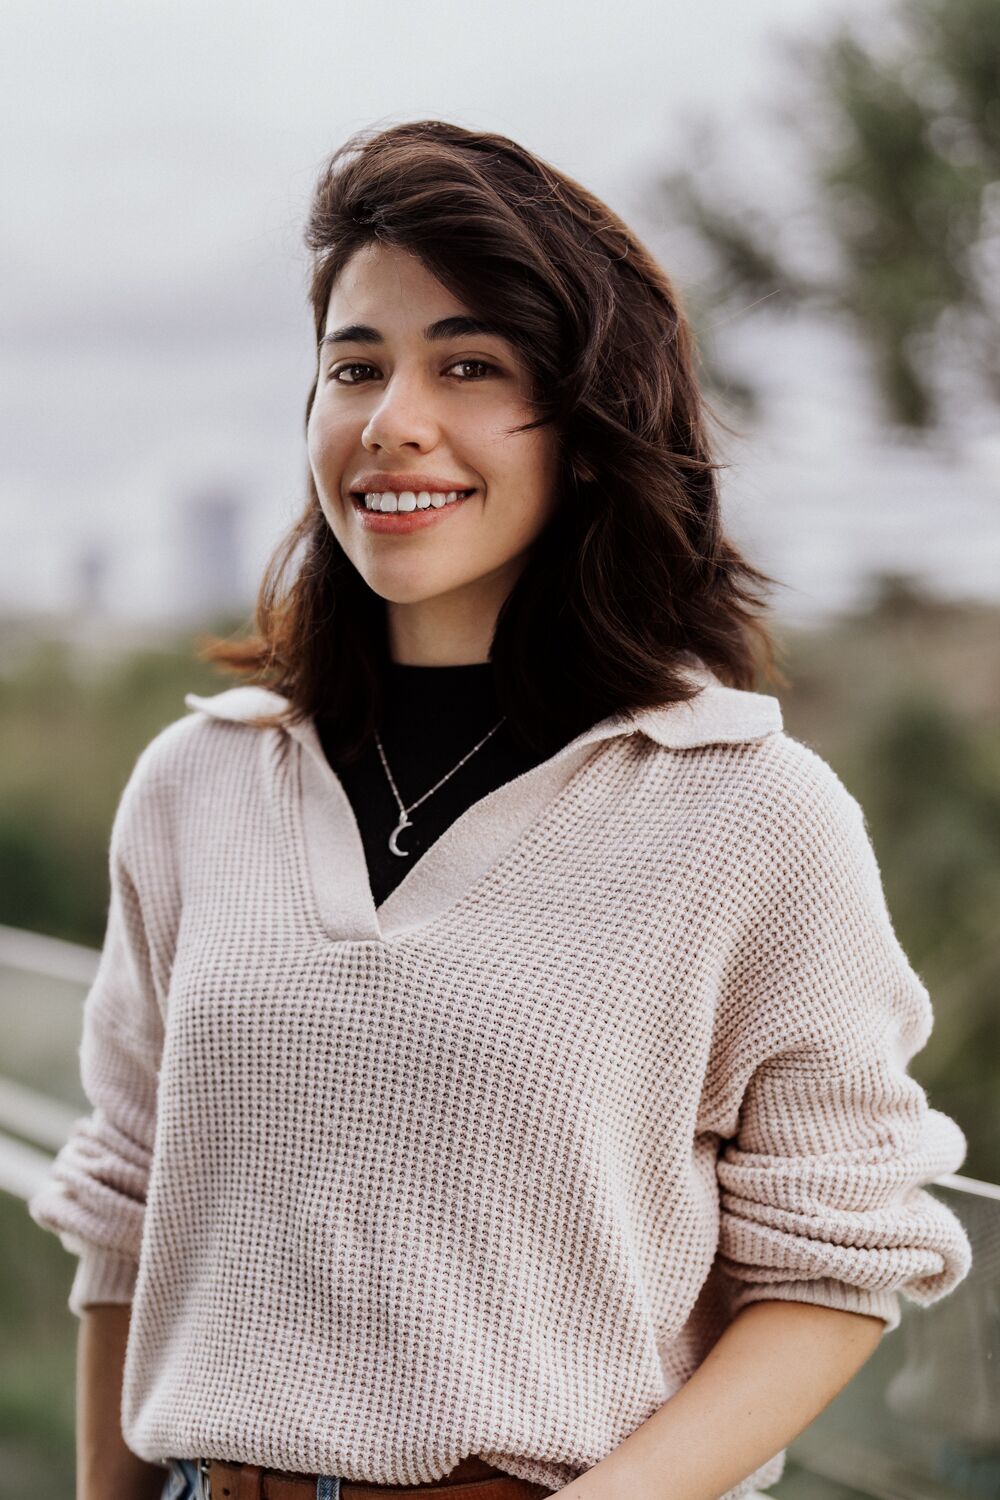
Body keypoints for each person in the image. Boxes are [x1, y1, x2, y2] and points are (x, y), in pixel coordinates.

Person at [29, 119, 972, 1500]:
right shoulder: (197, 788)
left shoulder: (751, 815)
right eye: (356, 367)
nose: (392, 417)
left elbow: (836, 1269)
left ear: (588, 432)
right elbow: (126, 1204)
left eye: (469, 365)